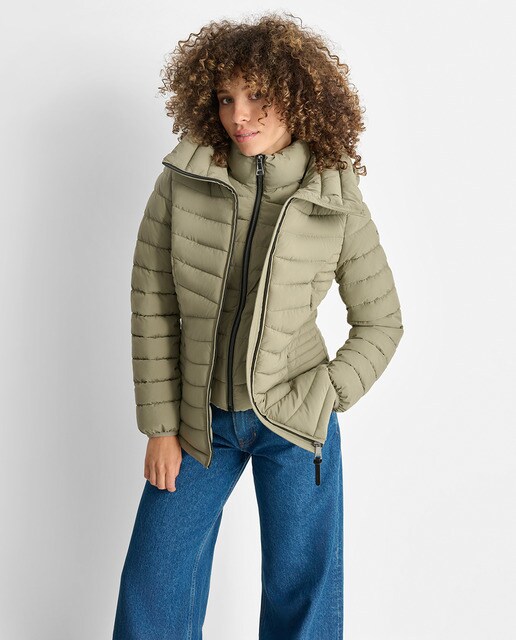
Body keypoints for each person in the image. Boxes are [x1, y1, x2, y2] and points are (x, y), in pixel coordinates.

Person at [112, 11, 404, 640]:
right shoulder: (184, 180)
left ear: (300, 100)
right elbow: (152, 303)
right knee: (153, 585)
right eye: (225, 99)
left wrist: (326, 394)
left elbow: (381, 321)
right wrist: (160, 426)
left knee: (302, 596)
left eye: (257, 97)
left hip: (295, 422)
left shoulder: (334, 196)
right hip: (199, 421)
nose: (238, 116)